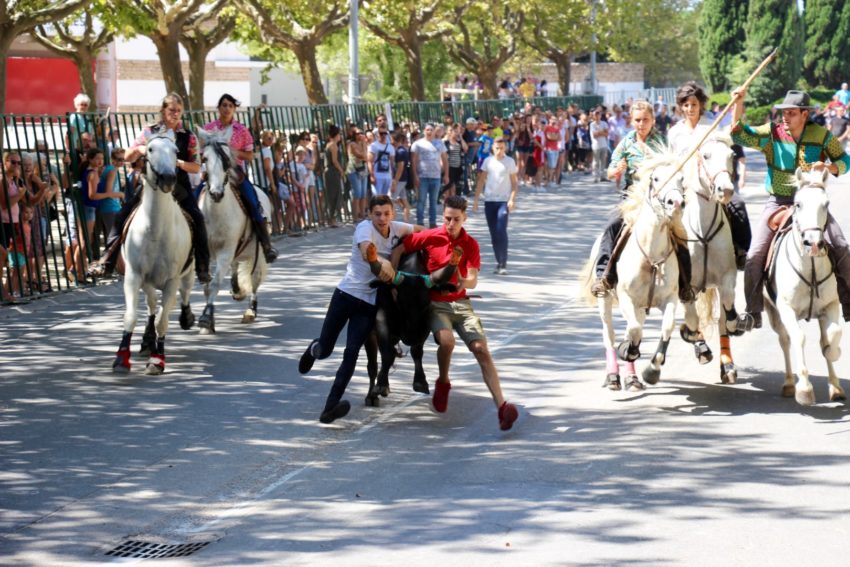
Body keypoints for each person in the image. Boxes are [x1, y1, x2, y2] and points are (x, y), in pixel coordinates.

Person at [731, 88, 850, 331]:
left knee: (841, 246)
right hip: (779, 202)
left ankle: (847, 303)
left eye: (792, 113)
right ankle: (753, 312)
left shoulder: (822, 135)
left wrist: (829, 166)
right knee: (754, 256)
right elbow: (739, 136)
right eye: (784, 112)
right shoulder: (772, 133)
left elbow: (846, 161)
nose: (785, 116)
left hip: (812, 206)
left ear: (805, 114)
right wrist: (739, 102)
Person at [399, 195, 518, 431]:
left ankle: (502, 407)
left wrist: (462, 279)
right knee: (447, 341)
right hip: (436, 303)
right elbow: (403, 245)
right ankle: (443, 382)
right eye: (447, 218)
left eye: (456, 219)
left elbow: (473, 279)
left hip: (461, 303)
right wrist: (391, 280)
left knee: (481, 349)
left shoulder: (470, 244)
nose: (450, 224)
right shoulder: (431, 236)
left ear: (464, 218)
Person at [298, 195, 413, 424]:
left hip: (367, 305)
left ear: (393, 214)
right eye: (377, 214)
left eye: (386, 214)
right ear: (370, 214)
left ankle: (330, 407)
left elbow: (425, 233)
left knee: (351, 353)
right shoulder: (364, 229)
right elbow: (366, 252)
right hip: (345, 296)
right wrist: (386, 263)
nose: (382, 218)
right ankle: (313, 350)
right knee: (326, 349)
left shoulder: (398, 227)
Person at [86, 93, 210, 283]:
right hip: (150, 186)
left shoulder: (188, 136)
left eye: (178, 111)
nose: (175, 114)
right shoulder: (149, 132)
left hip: (178, 186)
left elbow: (196, 166)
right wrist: (139, 150)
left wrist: (176, 162)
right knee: (122, 215)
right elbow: (127, 157)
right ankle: (106, 260)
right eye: (171, 110)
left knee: (198, 219)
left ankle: (202, 266)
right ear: (163, 110)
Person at [590, 100, 694, 302]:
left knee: (679, 232)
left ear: (653, 120)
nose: (641, 124)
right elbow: (610, 171)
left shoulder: (661, 142)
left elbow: (673, 166)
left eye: (646, 119)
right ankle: (604, 276)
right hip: (632, 196)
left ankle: (686, 284)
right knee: (613, 226)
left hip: (658, 196)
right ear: (631, 121)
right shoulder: (626, 142)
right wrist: (616, 170)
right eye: (637, 120)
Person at [667, 81, 751, 269]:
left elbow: (732, 131)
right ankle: (668, 257)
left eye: (694, 104)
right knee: (665, 213)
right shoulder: (674, 133)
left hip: (710, 186)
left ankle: (742, 251)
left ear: (701, 105)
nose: (690, 108)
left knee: (738, 204)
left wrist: (738, 103)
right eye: (686, 104)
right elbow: (672, 163)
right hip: (684, 187)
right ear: (680, 106)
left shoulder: (711, 126)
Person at [204, 94, 277, 263]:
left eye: (230, 105)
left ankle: (266, 244)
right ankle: (194, 246)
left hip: (235, 173)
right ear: (219, 108)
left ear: (234, 109)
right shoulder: (209, 128)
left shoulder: (242, 130)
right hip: (213, 173)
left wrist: (232, 153)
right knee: (194, 199)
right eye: (224, 105)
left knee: (252, 201)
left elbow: (250, 155)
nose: (227, 108)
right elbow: (201, 152)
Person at [473, 138, 518, 275]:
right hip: (489, 201)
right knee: (493, 234)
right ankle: (498, 262)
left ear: (505, 148)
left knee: (501, 230)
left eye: (502, 148)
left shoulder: (509, 162)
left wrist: (511, 199)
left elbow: (514, 183)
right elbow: (481, 181)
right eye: (497, 148)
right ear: (493, 148)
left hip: (503, 201)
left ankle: (503, 263)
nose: (499, 151)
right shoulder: (488, 161)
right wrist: (476, 200)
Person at [411, 124, 448, 228]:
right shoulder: (417, 144)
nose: (429, 132)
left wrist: (446, 175)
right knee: (421, 200)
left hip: (436, 177)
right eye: (427, 130)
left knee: (433, 201)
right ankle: (420, 223)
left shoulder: (440, 143)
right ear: (424, 131)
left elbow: (445, 160)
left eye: (431, 130)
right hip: (422, 177)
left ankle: (432, 223)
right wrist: (415, 176)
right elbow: (413, 161)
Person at [323, 125, 345, 228]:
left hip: (329, 172)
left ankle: (332, 218)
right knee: (335, 194)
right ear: (336, 135)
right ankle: (332, 218)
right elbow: (335, 161)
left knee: (332, 194)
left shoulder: (329, 144)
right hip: (333, 172)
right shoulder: (333, 145)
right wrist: (341, 170)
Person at [367, 125, 395, 197]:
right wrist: (372, 175)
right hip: (377, 176)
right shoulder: (373, 146)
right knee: (377, 197)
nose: (383, 135)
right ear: (377, 134)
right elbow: (369, 161)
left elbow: (392, 163)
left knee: (386, 198)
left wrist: (393, 178)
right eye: (381, 133)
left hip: (388, 176)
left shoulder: (390, 147)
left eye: (385, 133)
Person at [590, 109, 610, 182]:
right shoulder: (592, 124)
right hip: (596, 145)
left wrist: (600, 132)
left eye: (599, 114)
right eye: (596, 114)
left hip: (603, 144)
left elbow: (607, 134)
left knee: (603, 161)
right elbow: (595, 135)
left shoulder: (604, 123)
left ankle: (602, 176)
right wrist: (602, 132)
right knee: (596, 162)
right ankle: (595, 177)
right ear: (594, 116)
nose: (597, 116)